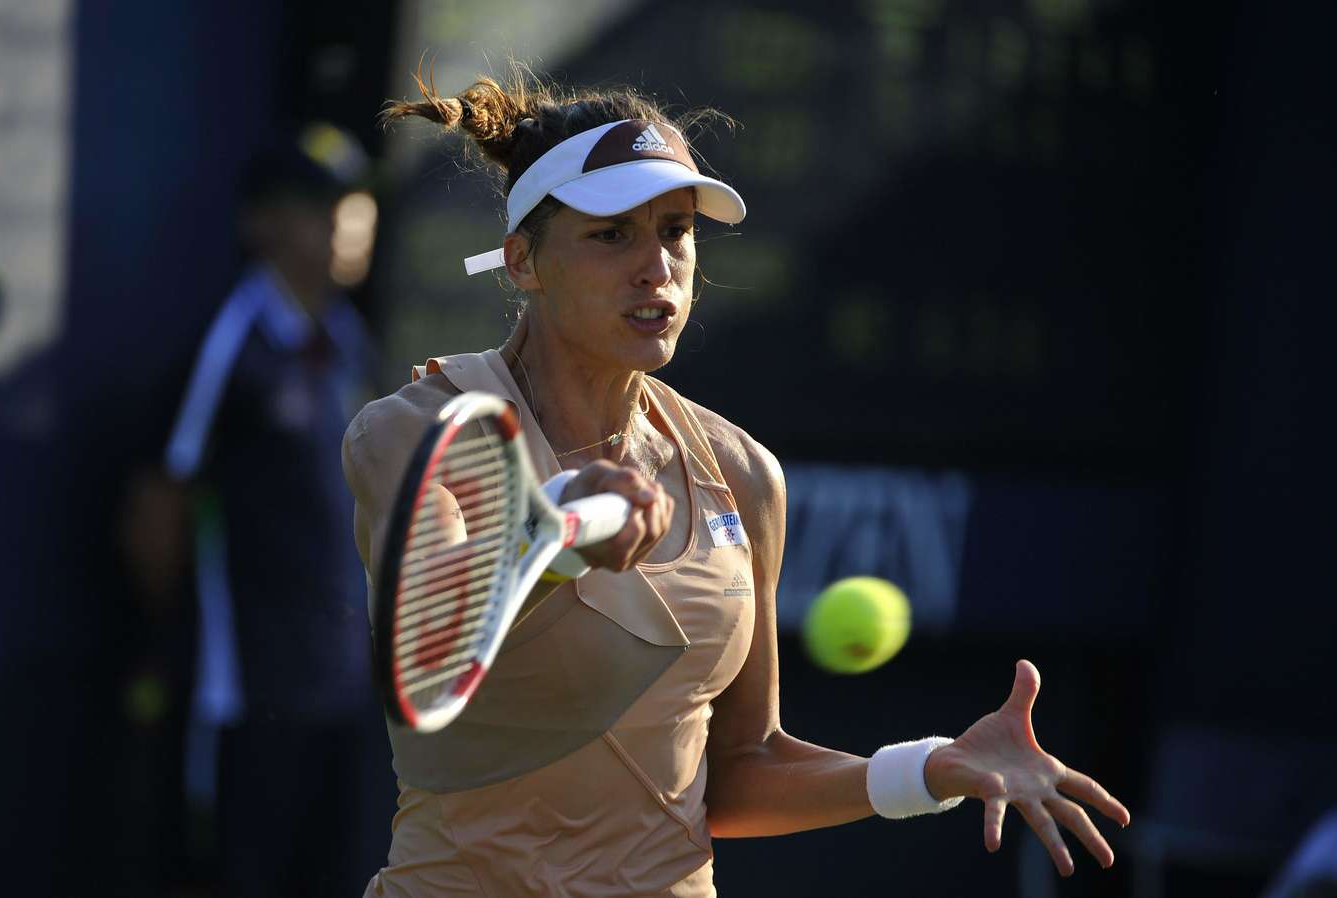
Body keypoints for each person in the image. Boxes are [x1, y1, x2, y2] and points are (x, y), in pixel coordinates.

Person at [343, 70, 1130, 897]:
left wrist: (932, 769)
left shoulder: (744, 474)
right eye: (611, 235)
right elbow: (428, 644)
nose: (657, 267)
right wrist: (553, 544)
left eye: (676, 232)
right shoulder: (413, 428)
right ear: (521, 263)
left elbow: (742, 771)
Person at [123, 126, 393, 898]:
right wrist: (178, 646)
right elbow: (158, 505)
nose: (346, 219)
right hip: (238, 697)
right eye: (318, 203)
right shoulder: (227, 342)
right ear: (261, 223)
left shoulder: (348, 343)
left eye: (353, 201)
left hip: (341, 694)